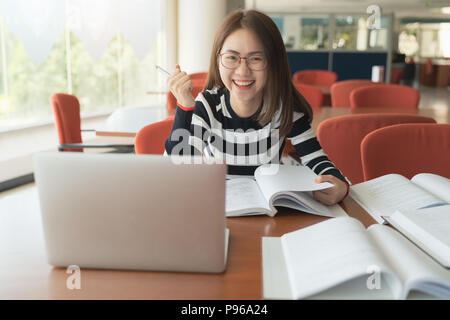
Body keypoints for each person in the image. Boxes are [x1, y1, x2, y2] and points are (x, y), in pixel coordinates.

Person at [164, 9, 349, 205]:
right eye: (232, 57)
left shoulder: (284, 107)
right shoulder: (209, 104)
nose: (243, 71)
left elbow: (316, 159)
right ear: (218, 60)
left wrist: (339, 185)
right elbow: (177, 168)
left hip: (271, 214)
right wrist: (185, 107)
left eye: (256, 58)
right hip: (219, 210)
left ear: (273, 63)